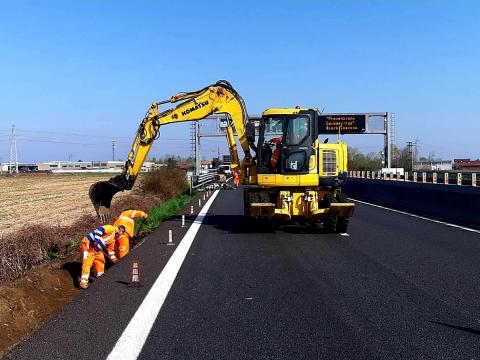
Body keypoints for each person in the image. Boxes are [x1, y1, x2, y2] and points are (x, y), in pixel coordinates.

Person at [79, 225, 123, 289]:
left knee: (101, 261)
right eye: (122, 233)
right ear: (120, 230)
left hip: (97, 250)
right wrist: (96, 241)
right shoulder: (111, 228)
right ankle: (83, 282)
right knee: (87, 264)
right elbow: (100, 229)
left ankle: (100, 277)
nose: (120, 235)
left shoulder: (113, 239)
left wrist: (115, 260)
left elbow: (110, 250)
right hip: (88, 245)